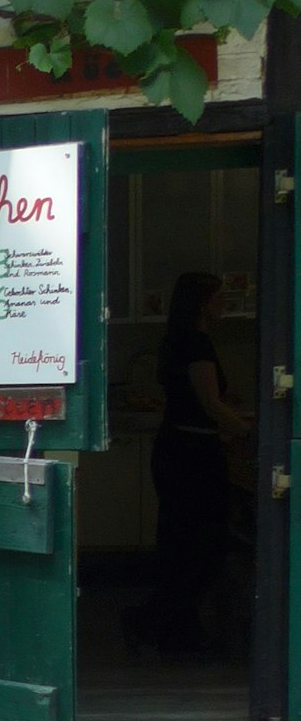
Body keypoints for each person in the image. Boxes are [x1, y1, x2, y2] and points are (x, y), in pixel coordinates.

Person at [124, 271, 255, 656]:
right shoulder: (197, 346)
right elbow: (211, 404)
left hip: (178, 450)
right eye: (219, 297)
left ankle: (170, 629)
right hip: (192, 455)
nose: (224, 304)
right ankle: (162, 625)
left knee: (184, 544)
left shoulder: (179, 341)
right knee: (203, 544)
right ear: (203, 303)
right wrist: (250, 433)